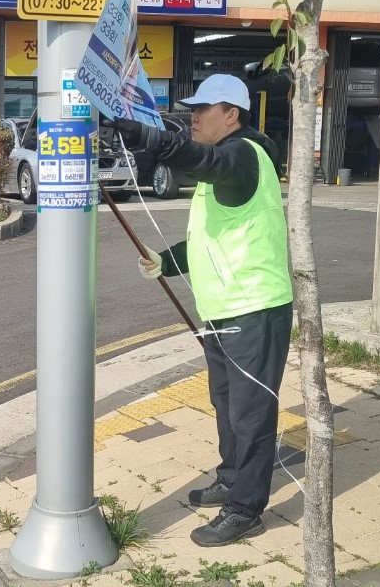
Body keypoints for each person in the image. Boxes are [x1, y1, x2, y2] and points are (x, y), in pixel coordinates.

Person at [113, 73, 294, 548]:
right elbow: (212, 236)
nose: (192, 117)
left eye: (202, 109)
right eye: (190, 109)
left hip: (255, 309)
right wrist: (166, 261)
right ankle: (232, 478)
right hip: (223, 309)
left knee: (251, 414)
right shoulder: (229, 163)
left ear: (231, 114)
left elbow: (206, 161)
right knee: (227, 405)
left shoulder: (244, 154)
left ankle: (245, 509)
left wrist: (156, 140)